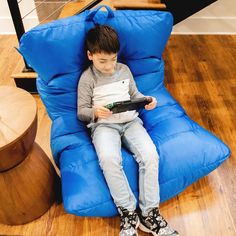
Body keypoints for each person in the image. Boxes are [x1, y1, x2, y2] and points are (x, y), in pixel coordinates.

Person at [77, 24, 179, 236]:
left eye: (112, 59)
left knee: (150, 155)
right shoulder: (87, 79)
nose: (108, 66)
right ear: (90, 55)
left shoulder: (124, 70)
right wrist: (95, 112)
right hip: (104, 126)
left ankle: (150, 213)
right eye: (102, 60)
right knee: (108, 159)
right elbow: (81, 112)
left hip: (131, 122)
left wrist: (148, 101)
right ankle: (128, 213)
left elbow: (135, 95)